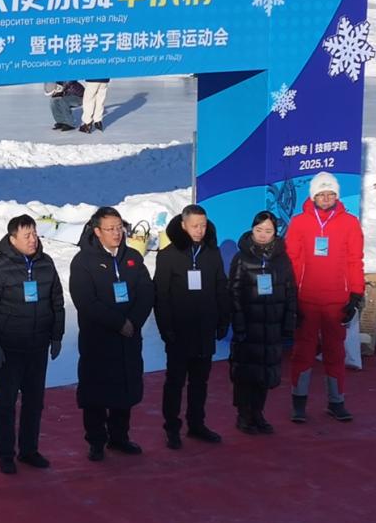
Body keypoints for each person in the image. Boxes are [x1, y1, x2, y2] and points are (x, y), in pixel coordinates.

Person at [0, 214, 65, 474]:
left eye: (35, 233)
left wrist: (56, 336)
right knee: (6, 404)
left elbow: (57, 302)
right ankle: (6, 454)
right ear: (12, 239)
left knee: (34, 402)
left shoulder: (46, 264)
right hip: (9, 350)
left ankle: (29, 450)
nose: (33, 239)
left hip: (37, 348)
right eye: (27, 235)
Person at [69, 208, 154, 461]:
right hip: (99, 339)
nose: (117, 233)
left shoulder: (132, 257)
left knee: (124, 389)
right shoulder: (83, 262)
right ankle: (96, 441)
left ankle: (120, 437)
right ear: (97, 231)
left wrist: (133, 322)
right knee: (96, 392)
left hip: (128, 338)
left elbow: (146, 292)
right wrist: (118, 323)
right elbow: (85, 301)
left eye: (120, 227)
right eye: (110, 229)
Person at [285, 172, 364, 423]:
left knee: (335, 352)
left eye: (331, 194)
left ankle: (336, 402)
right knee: (303, 352)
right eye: (322, 194)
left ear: (337, 196)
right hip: (306, 299)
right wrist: (291, 296)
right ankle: (299, 403)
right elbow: (292, 260)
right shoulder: (299, 223)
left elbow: (355, 260)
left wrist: (356, 294)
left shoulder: (350, 223)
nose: (327, 198)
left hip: (336, 300)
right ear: (313, 196)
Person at [154, 204, 230, 449]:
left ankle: (197, 424)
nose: (199, 230)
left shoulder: (212, 253)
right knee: (175, 382)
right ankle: (172, 428)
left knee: (200, 382)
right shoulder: (168, 256)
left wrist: (223, 319)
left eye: (203, 225)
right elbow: (161, 295)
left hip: (204, 329)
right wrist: (166, 328)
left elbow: (221, 287)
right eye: (195, 226)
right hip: (179, 331)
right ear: (183, 225)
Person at [227, 211, 297, 434]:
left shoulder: (282, 259)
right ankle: (244, 415)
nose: (263, 235)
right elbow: (233, 293)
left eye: (268, 231)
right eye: (259, 230)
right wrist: (238, 324)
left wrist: (289, 322)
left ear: (275, 232)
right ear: (252, 230)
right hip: (249, 326)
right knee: (246, 373)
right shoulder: (242, 258)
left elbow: (290, 291)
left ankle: (258, 413)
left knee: (265, 372)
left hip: (272, 326)